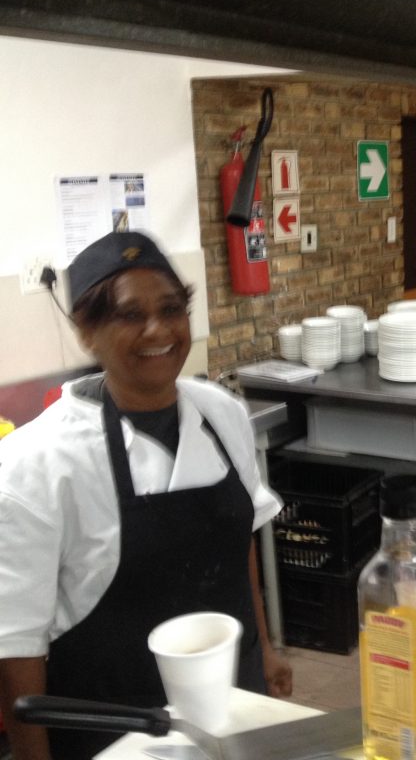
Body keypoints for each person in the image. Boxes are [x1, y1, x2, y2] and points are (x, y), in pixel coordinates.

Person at [0, 231, 292, 759]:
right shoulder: (35, 464)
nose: (158, 329)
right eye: (128, 315)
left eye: (172, 308)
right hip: (115, 731)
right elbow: (15, 644)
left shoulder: (221, 414)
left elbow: (239, 536)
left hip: (233, 702)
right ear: (87, 333)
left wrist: (264, 649)